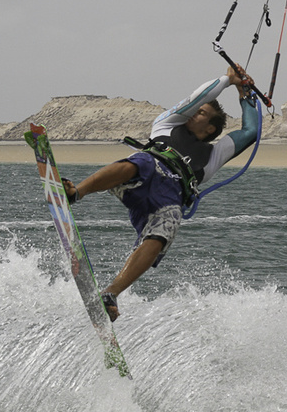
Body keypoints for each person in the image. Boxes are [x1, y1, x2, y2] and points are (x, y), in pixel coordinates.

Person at [62, 65, 258, 321]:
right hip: (144, 173)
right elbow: (199, 97)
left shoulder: (213, 155)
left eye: (201, 114)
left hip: (168, 198)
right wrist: (228, 80)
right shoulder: (167, 123)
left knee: (164, 233)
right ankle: (77, 192)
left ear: (210, 128)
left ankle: (110, 294)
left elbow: (249, 132)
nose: (194, 112)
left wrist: (246, 96)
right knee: (140, 162)